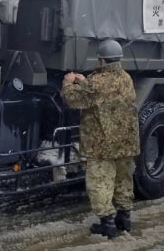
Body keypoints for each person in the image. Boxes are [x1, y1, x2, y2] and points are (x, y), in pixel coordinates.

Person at [62, 39, 140, 239]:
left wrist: (69, 82)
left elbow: (72, 98)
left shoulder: (96, 82)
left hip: (102, 144)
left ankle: (107, 223)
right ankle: (125, 218)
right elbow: (101, 93)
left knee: (99, 182)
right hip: (126, 142)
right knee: (123, 180)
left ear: (102, 61)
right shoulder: (126, 78)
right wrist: (85, 81)